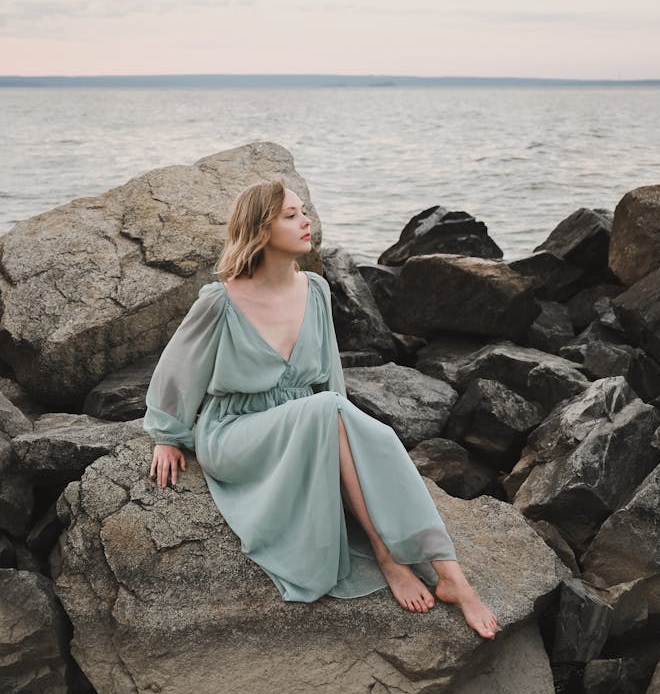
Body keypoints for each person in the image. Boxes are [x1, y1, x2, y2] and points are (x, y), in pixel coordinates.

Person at [144, 178, 498, 639]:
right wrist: (168, 436)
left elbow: (329, 376)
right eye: (290, 216)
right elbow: (178, 371)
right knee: (331, 412)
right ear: (260, 229)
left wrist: (350, 449)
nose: (305, 221)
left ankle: (450, 572)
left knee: (356, 426)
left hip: (309, 422)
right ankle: (391, 560)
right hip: (236, 433)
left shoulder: (315, 290)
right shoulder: (220, 301)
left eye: (303, 211)